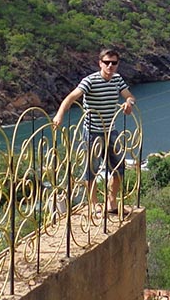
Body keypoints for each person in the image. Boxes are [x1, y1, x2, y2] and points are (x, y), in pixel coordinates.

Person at [52, 48, 136, 216]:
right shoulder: (90, 81)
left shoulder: (118, 79)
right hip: (92, 132)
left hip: (110, 130)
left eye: (114, 63)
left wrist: (129, 104)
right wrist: (59, 115)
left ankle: (111, 202)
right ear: (100, 63)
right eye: (106, 62)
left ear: (117, 65)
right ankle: (94, 205)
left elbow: (130, 96)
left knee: (119, 168)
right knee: (91, 170)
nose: (110, 66)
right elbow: (70, 98)